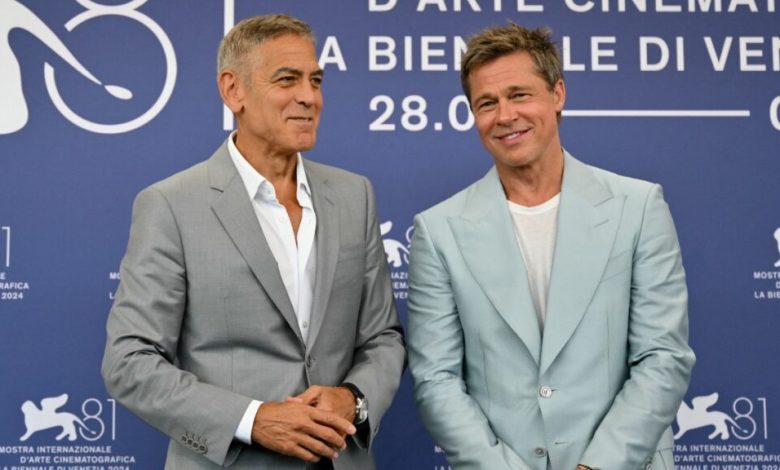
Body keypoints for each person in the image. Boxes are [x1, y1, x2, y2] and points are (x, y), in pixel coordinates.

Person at [102, 14, 405, 470]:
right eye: (287, 79)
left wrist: (354, 399)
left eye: (315, 80)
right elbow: (130, 361)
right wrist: (252, 419)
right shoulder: (171, 204)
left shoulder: (354, 195)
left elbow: (383, 337)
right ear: (233, 90)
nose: (309, 96)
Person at [407, 22, 695, 470]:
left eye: (519, 95)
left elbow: (663, 357)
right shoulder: (438, 230)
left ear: (557, 94)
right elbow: (436, 379)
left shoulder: (638, 207)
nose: (505, 116)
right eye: (487, 103)